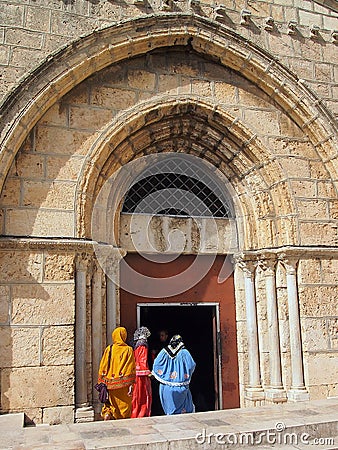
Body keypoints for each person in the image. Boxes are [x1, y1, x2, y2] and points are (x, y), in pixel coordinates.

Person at [98, 326, 136, 420]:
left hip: (110, 384)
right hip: (123, 385)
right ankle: (122, 421)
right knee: (124, 407)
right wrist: (131, 384)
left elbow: (103, 365)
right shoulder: (128, 350)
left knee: (111, 404)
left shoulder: (109, 349)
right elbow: (130, 367)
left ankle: (108, 414)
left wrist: (102, 380)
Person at [152, 334, 196, 415]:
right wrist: (184, 375)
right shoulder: (184, 352)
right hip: (181, 385)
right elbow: (191, 365)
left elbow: (156, 364)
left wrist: (164, 375)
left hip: (166, 386)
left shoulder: (164, 351)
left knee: (169, 409)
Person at [131, 326, 152, 418]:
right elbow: (142, 360)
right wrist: (147, 372)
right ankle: (141, 414)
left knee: (136, 396)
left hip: (135, 374)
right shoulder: (143, 345)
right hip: (141, 377)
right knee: (142, 396)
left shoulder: (136, 345)